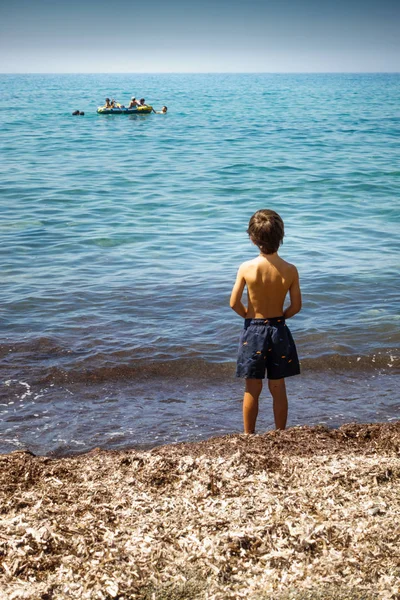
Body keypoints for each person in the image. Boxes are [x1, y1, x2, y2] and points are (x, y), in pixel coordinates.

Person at [230, 209, 302, 434]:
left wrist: (249, 317)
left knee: (252, 387)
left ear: (252, 238)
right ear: (281, 236)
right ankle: (280, 432)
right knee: (278, 386)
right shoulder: (289, 270)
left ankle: (248, 435)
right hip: (278, 329)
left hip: (253, 330)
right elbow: (296, 306)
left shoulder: (246, 267)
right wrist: (280, 318)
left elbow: (233, 303)